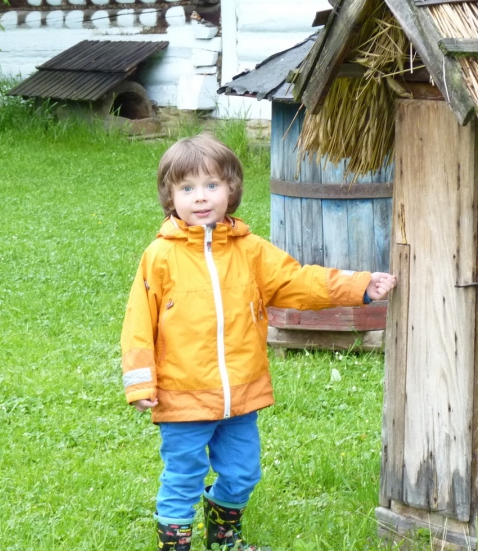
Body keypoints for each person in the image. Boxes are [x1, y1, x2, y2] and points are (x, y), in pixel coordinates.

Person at [121, 133, 397, 550]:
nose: (200, 197)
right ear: (170, 196)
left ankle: (224, 537)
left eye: (211, 185)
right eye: (187, 188)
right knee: (183, 475)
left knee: (243, 473)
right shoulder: (160, 257)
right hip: (183, 396)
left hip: (241, 395)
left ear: (231, 189)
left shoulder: (250, 251)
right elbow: (139, 323)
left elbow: (296, 280)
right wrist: (141, 383)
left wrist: (358, 285)